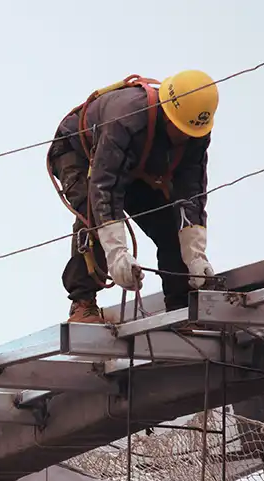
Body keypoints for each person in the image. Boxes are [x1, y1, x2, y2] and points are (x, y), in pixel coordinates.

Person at [46, 70, 220, 324]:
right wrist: (117, 255)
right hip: (78, 152)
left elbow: (190, 194)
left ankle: (181, 306)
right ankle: (83, 304)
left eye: (189, 134)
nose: (183, 137)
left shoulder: (195, 131)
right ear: (167, 113)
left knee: (169, 227)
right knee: (92, 213)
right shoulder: (127, 118)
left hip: (133, 164)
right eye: (179, 130)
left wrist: (195, 256)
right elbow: (104, 189)